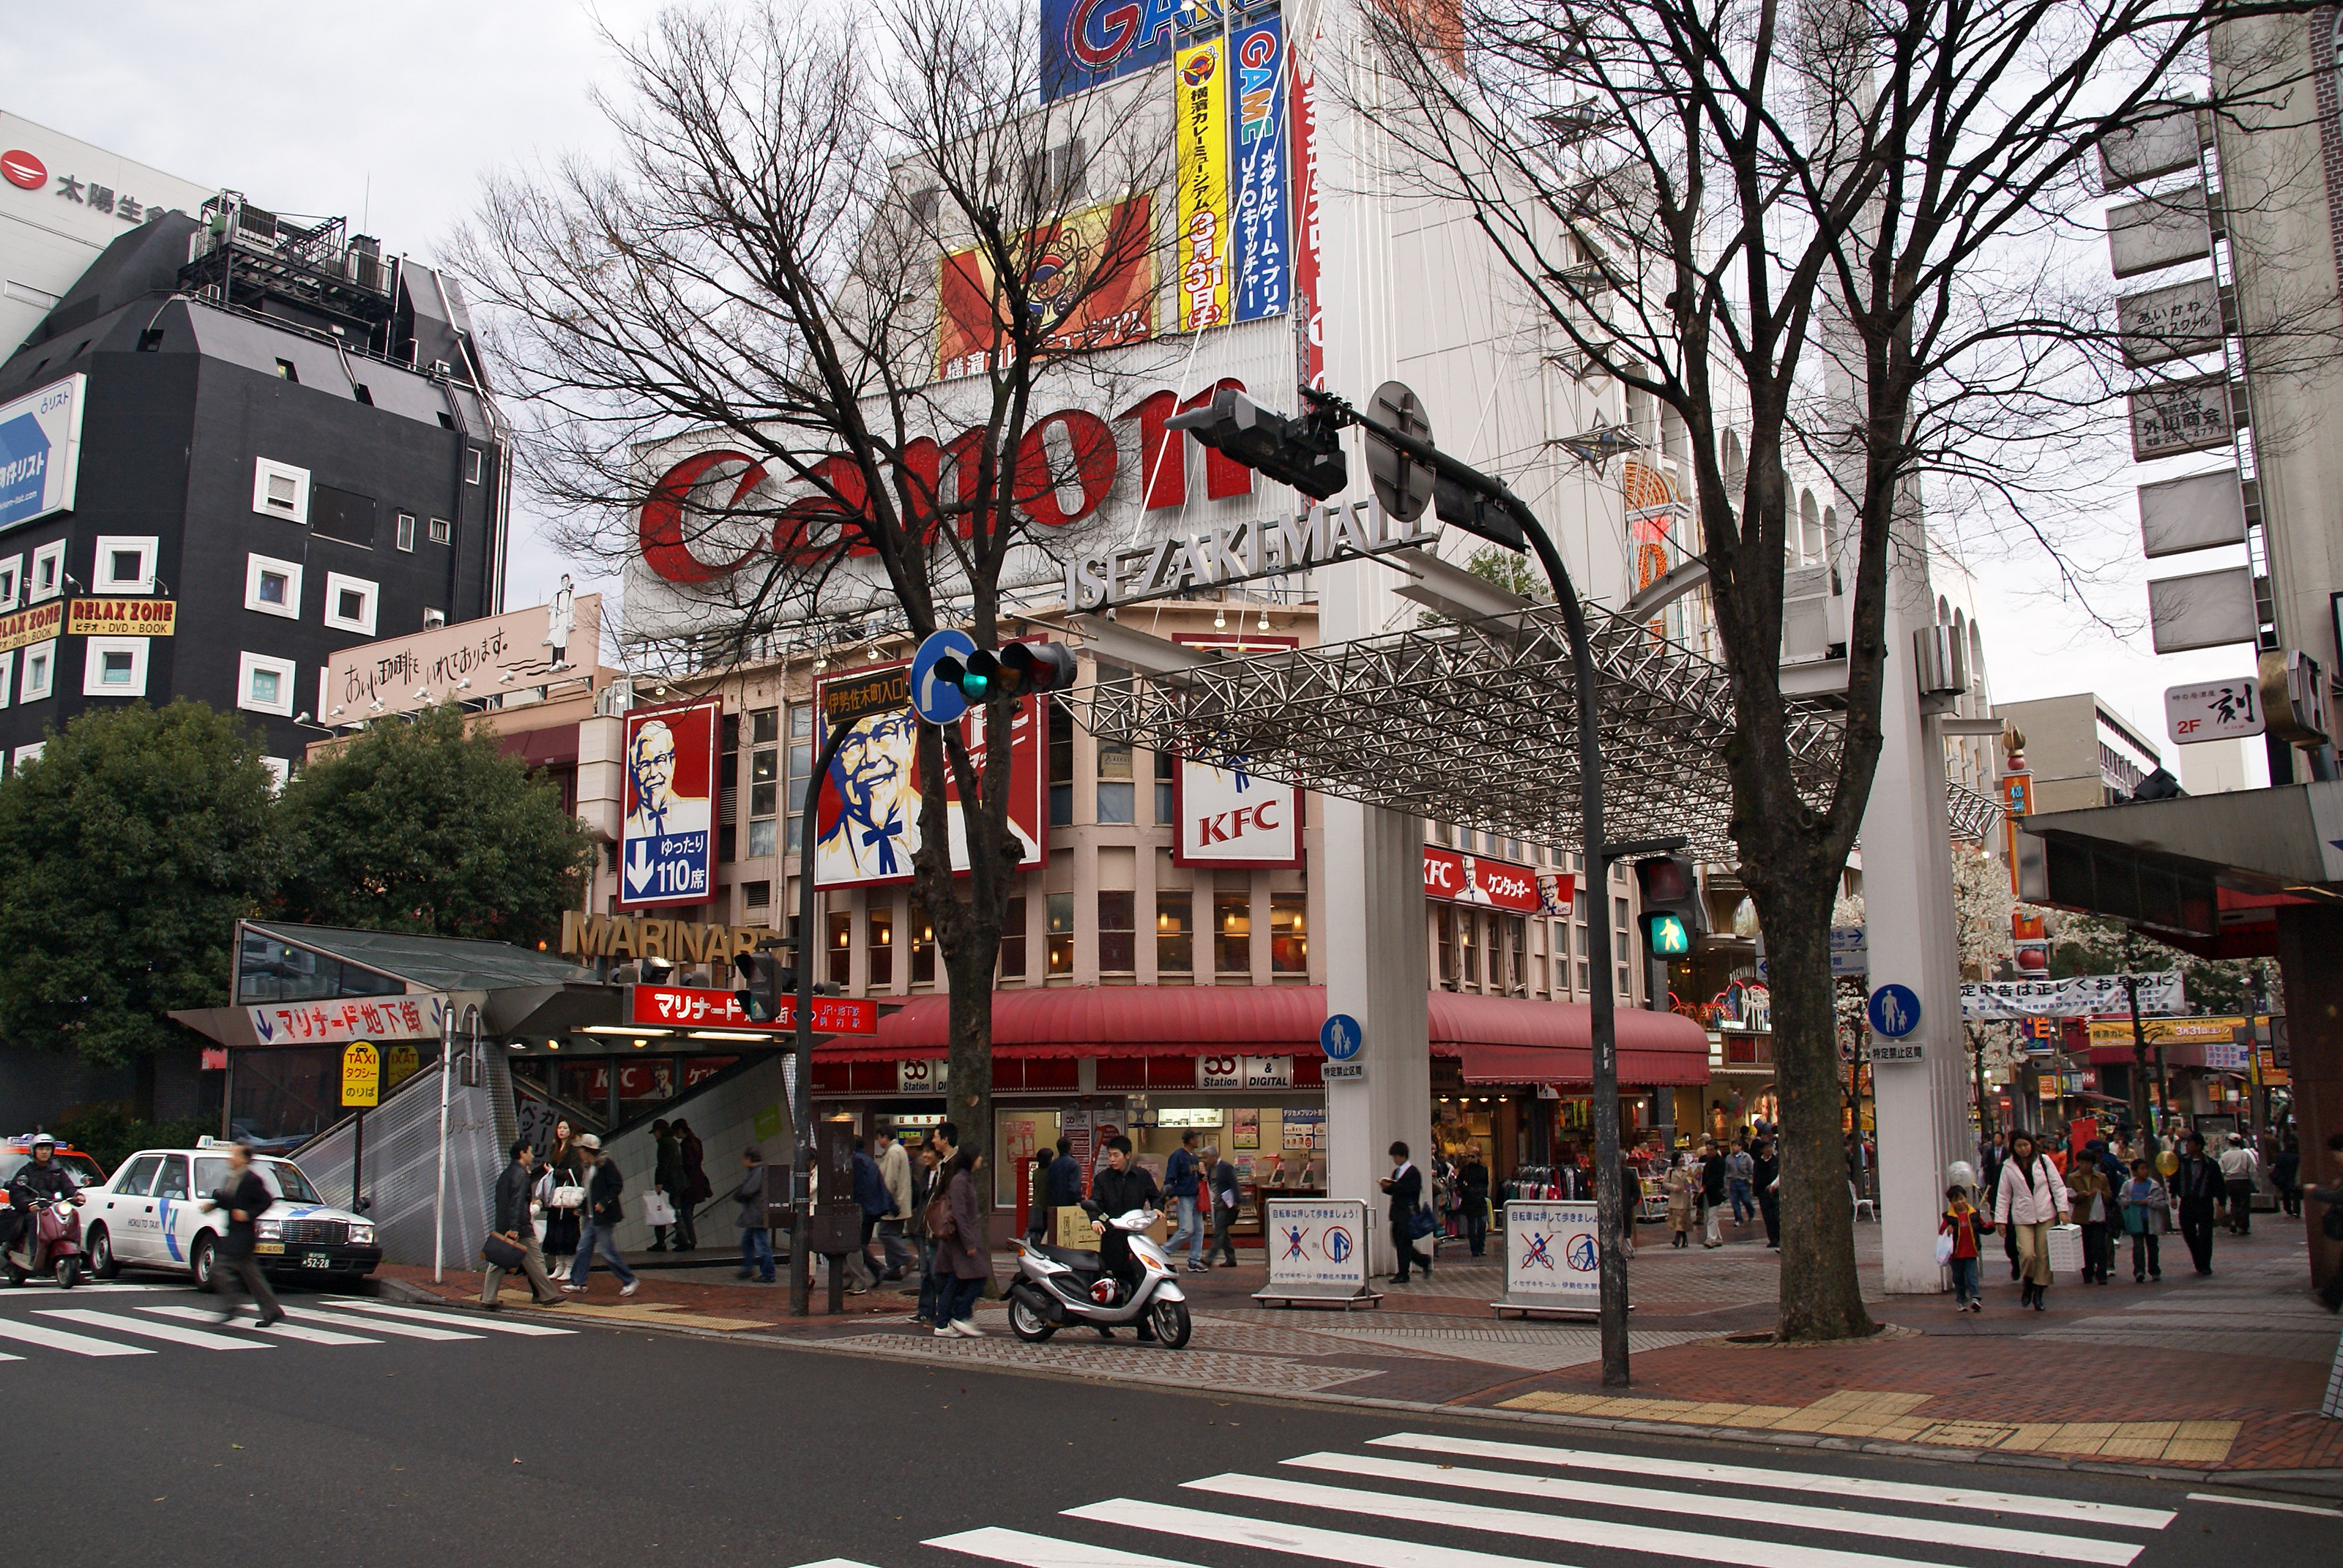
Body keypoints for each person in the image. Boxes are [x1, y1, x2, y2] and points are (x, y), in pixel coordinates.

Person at [200, 1139, 282, 1327]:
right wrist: (212, 1205)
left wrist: (248, 1214)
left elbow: (266, 1201)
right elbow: (229, 1201)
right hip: (234, 1232)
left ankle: (232, 1306)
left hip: (243, 1235)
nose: (230, 1158)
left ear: (244, 1159)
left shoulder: (252, 1180)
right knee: (253, 1276)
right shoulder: (232, 1178)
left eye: (234, 1154)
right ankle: (272, 1312)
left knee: (220, 1268)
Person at [1089, 1136, 1163, 1332]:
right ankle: (1103, 1322)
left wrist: (1157, 1208)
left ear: (1127, 1155)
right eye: (1110, 1155)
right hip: (1112, 1236)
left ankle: (1142, 1326)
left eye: (1116, 1155)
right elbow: (1095, 1202)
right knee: (1110, 1281)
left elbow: (1156, 1196)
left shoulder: (1141, 1176)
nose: (1112, 1159)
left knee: (1139, 1278)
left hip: (1135, 1237)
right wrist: (1095, 1219)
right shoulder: (1103, 1178)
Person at [1992, 1130, 2069, 1311]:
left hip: (2045, 1213)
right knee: (2027, 1253)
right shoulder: (2009, 1166)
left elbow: (2057, 1186)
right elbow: (2004, 1195)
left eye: (2026, 1145)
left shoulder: (2043, 1161)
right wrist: (2000, 1220)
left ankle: (2039, 1293)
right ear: (2014, 1148)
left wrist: (2063, 1210)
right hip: (2022, 1216)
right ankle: (2028, 1281)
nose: (2024, 1149)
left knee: (2043, 1255)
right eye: (2019, 1146)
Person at [484, 1138, 565, 1309]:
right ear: (522, 1153)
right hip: (519, 1226)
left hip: (505, 1223)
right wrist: (515, 1227)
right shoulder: (521, 1175)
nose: (532, 1155)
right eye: (530, 1151)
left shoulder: (506, 1174)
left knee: (498, 1261)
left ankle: (488, 1298)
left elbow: (501, 1200)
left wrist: (506, 1225)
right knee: (535, 1260)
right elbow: (518, 1202)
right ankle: (547, 1295)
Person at [565, 1134, 639, 1296]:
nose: (579, 1153)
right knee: (583, 1247)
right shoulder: (589, 1167)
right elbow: (589, 1193)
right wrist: (582, 1208)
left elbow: (616, 1185)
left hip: (603, 1217)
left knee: (606, 1250)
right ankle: (577, 1282)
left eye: (581, 1150)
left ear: (588, 1151)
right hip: (592, 1217)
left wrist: (604, 1203)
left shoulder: (605, 1165)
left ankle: (629, 1280)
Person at [933, 1143, 991, 1337]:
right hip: (959, 1241)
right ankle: (958, 1315)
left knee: (956, 1280)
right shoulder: (960, 1181)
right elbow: (960, 1213)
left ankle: (946, 1321)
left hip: (961, 1239)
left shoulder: (965, 1180)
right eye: (978, 1156)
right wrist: (969, 1243)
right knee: (977, 1276)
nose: (981, 1160)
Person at [623, 719, 712, 840]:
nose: (653, 773)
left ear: (672, 763)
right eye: (644, 765)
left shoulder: (702, 811)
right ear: (634, 772)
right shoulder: (627, 829)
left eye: (659, 760)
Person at [2172, 1132, 2223, 1275]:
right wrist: (2173, 1195)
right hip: (2187, 1201)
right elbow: (2175, 1179)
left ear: (2198, 1146)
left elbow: (2219, 1184)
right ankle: (2198, 1257)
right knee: (2188, 1231)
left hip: (2204, 1202)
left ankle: (2205, 1264)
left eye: (2190, 1143)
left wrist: (2221, 1203)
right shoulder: (2181, 1162)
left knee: (2206, 1234)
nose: (2187, 1146)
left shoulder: (2210, 1164)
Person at [1380, 1141, 1431, 1283]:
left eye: (1396, 1156)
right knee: (1399, 1241)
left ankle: (1403, 1273)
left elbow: (1412, 1189)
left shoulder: (1413, 1172)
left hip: (1408, 1212)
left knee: (1403, 1242)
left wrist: (1396, 1186)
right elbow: (1394, 1190)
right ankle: (1423, 1260)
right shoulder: (1396, 1172)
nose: (1395, 1160)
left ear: (1403, 1156)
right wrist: (1386, 1187)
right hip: (1397, 1211)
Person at [909, 1135, 945, 1326]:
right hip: (922, 1226)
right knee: (924, 1271)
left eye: (929, 1152)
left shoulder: (943, 1174)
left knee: (935, 1271)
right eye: (924, 1151)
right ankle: (924, 1310)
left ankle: (940, 1311)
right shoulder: (924, 1173)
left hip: (937, 1229)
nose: (925, 1155)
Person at [848, 1136, 890, 1293]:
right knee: (860, 1244)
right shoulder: (867, 1159)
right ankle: (876, 1270)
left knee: (856, 1244)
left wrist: (854, 1204)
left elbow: (857, 1187)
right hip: (872, 1208)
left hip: (863, 1208)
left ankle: (869, 1273)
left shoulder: (857, 1160)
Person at [540, 1119, 584, 1264]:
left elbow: (575, 1172)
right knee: (555, 1228)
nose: (561, 1131)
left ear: (570, 1131)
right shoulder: (554, 1149)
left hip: (567, 1194)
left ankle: (569, 1265)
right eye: (559, 1128)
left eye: (565, 1128)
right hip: (555, 1194)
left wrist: (555, 1172)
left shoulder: (574, 1150)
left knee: (568, 1229)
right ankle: (559, 1264)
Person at [1940, 1184, 1988, 1313]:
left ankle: (1975, 1298)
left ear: (1966, 1198)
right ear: (1951, 1202)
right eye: (1956, 1200)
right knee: (1958, 1278)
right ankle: (1961, 1300)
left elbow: (1982, 1227)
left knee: (1972, 1276)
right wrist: (1947, 1230)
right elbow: (1941, 1232)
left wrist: (1993, 1226)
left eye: (1961, 1198)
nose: (1960, 1202)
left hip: (1971, 1252)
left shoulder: (1973, 1214)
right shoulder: (1949, 1217)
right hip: (1955, 1255)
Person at [2066, 1151, 2112, 1285]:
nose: (2084, 1166)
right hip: (2081, 1217)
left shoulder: (2101, 1177)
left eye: (2087, 1163)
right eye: (2081, 1163)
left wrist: (2100, 1194)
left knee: (2099, 1246)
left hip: (2098, 1217)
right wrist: (2080, 1196)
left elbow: (2109, 1195)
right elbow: (2070, 1197)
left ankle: (2102, 1273)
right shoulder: (2073, 1178)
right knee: (2084, 1247)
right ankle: (2087, 1272)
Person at [1164, 1130, 1207, 1274]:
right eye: (1196, 1138)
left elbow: (1193, 1177)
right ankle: (1164, 1251)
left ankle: (1194, 1261)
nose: (1198, 1141)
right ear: (1190, 1140)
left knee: (1199, 1229)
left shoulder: (1194, 1157)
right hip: (1183, 1197)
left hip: (1194, 1196)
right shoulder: (1177, 1156)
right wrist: (1172, 1195)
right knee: (1187, 1229)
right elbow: (1170, 1177)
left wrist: (1201, 1177)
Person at [874, 1130, 914, 1281]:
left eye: (879, 1137)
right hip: (901, 1200)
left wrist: (886, 1199)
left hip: (895, 1201)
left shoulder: (893, 1152)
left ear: (885, 1137)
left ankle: (906, 1258)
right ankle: (894, 1267)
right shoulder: (898, 1151)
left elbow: (890, 1180)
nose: (878, 1142)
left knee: (885, 1233)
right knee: (894, 1233)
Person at [2120, 1158, 2166, 1283]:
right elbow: (2121, 1199)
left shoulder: (2154, 1185)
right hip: (2136, 1220)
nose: (2145, 1171)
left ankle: (2154, 1270)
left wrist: (2150, 1201)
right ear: (2134, 1172)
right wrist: (2130, 1202)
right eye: (2142, 1169)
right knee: (2138, 1246)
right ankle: (2139, 1271)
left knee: (2153, 1246)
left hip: (2150, 1220)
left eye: (2146, 1168)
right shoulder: (2128, 1185)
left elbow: (2162, 1203)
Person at [735, 1146, 775, 1284]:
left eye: (744, 1159)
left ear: (749, 1159)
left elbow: (747, 1190)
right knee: (747, 1242)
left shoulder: (758, 1172)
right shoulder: (760, 1171)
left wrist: (739, 1195)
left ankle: (768, 1273)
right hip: (756, 1214)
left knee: (761, 1244)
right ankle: (748, 1267)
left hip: (757, 1215)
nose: (743, 1162)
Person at [674, 1117, 709, 1251]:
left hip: (689, 1183)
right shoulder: (697, 1142)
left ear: (680, 1131)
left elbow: (688, 1165)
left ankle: (689, 1240)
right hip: (699, 1180)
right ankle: (684, 1238)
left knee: (685, 1213)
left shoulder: (685, 1145)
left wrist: (680, 1168)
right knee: (688, 1212)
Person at [1204, 1143, 1241, 1266]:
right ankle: (1231, 1259)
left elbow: (1234, 1183)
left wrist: (1237, 1200)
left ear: (1214, 1157)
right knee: (1223, 1232)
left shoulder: (1225, 1167)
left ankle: (1210, 1257)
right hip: (1215, 1203)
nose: (1205, 1161)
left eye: (1207, 1158)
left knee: (1219, 1231)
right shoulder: (1209, 1169)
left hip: (1225, 1204)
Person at [1043, 1137, 1084, 1246]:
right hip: (1069, 1204)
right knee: (1069, 1233)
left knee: (1056, 1232)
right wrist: (1078, 1201)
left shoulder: (1053, 1164)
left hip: (1054, 1203)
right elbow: (1075, 1185)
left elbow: (1048, 1183)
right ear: (1070, 1148)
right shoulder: (1074, 1164)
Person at [2218, 1134, 2257, 1236]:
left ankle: (2233, 1222)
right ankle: (2243, 1226)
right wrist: (2256, 1184)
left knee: (2234, 1203)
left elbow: (2220, 1171)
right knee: (2244, 1204)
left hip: (2230, 1182)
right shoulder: (2245, 1155)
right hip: (2243, 1181)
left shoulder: (2224, 1155)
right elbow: (2252, 1170)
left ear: (2229, 1142)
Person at [1459, 1144, 1492, 1257]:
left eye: (1473, 1156)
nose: (1470, 1159)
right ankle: (1474, 1249)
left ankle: (1481, 1247)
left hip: (1480, 1200)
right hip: (1469, 1200)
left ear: (1478, 1157)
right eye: (1468, 1156)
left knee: (1482, 1223)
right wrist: (1466, 1190)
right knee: (1472, 1226)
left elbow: (1485, 1183)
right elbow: (1459, 1182)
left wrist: (1482, 1193)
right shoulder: (1466, 1169)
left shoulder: (1483, 1168)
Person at [1751, 1137, 1781, 1250]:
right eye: (1767, 1148)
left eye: (1770, 1147)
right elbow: (1756, 1177)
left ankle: (1779, 1238)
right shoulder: (1758, 1162)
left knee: (1777, 1216)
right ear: (1762, 1150)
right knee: (1768, 1217)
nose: (1769, 1150)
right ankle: (1772, 1239)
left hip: (1775, 1191)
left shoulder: (1777, 1161)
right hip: (1763, 1193)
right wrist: (1756, 1191)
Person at [1699, 1138, 1727, 1247]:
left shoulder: (1720, 1162)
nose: (1709, 1152)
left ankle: (1711, 1238)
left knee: (1712, 1216)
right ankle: (1718, 1238)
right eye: (1707, 1149)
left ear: (1716, 1150)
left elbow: (1717, 1178)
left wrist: (1705, 1186)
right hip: (1707, 1193)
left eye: (1711, 1150)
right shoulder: (1707, 1161)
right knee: (1710, 1216)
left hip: (1715, 1193)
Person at [1665, 1149, 1695, 1247]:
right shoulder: (1670, 1171)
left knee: (1682, 1220)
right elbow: (1665, 1182)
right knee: (1678, 1220)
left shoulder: (1688, 1170)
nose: (1681, 1160)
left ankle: (1677, 1240)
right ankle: (1683, 1239)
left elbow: (1692, 1181)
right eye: (1679, 1158)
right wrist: (1674, 1187)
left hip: (1685, 1197)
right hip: (1675, 1198)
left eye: (1682, 1158)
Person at [1726, 1137, 1756, 1226]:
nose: (1734, 1148)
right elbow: (1727, 1171)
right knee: (1734, 1202)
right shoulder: (1729, 1158)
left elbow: (1751, 1169)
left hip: (1744, 1181)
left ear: (1740, 1147)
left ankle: (1751, 1212)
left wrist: (1751, 1179)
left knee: (1746, 1200)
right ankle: (1738, 1219)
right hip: (1733, 1181)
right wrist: (1726, 1183)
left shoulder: (1746, 1157)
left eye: (1736, 1146)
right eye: (1733, 1146)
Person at [2273, 1135, 2302, 1220]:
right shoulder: (2296, 1157)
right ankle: (2296, 1211)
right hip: (2293, 1178)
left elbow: (2277, 1167)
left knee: (2286, 1194)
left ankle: (2288, 1209)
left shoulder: (2280, 1156)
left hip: (2283, 1178)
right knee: (2296, 1195)